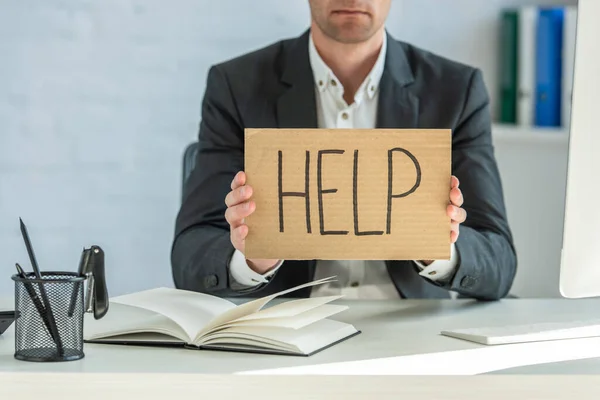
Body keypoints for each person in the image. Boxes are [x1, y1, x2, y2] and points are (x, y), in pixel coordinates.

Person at [171, 0, 517, 300]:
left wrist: (439, 250)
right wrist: (249, 258)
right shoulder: (236, 85)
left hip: (411, 324)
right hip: (287, 327)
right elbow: (190, 257)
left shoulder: (456, 91)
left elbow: (499, 263)